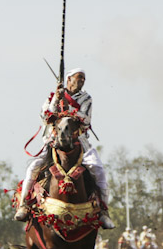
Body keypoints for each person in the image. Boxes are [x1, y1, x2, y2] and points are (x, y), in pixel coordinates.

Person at [14, 69, 115, 229]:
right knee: (33, 168)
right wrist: (57, 99)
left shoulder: (86, 98)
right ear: (68, 79)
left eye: (83, 78)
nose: (81, 80)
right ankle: (24, 205)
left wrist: (69, 108)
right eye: (78, 77)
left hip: (79, 142)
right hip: (54, 142)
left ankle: (103, 212)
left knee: (98, 169)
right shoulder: (53, 97)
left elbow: (85, 119)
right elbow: (46, 116)